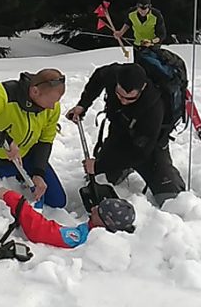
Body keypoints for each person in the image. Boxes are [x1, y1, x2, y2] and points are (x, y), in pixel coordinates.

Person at [66, 63, 185, 207]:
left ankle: (168, 177)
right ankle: (122, 167)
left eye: (130, 98)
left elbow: (140, 152)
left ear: (142, 88)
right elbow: (99, 77)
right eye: (119, 95)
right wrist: (83, 105)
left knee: (170, 198)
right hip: (119, 133)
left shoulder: (154, 107)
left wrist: (97, 164)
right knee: (100, 176)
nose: (123, 101)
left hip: (150, 146)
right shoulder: (114, 74)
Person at [0, 69, 67, 206]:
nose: (53, 107)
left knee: (58, 201)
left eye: (57, 101)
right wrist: (4, 140)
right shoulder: (3, 94)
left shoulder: (52, 107)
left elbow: (45, 140)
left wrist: (38, 172)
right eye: (51, 101)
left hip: (27, 157)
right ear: (35, 91)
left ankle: (22, 178)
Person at [0, 188, 135, 248]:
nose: (92, 209)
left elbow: (40, 230)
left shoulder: (80, 237)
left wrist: (12, 198)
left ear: (104, 224)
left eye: (97, 211)